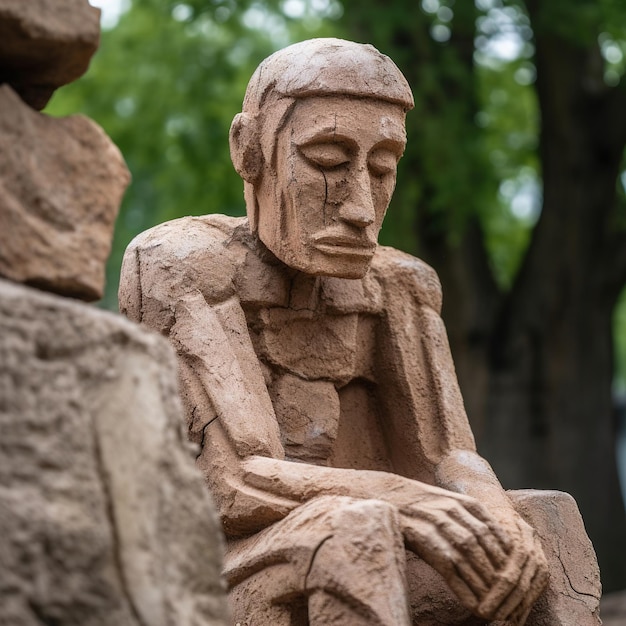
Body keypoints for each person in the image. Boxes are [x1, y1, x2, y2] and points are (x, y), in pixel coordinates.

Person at [119, 39, 552, 625]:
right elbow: (233, 479)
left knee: (544, 524)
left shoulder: (400, 285)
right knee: (351, 529)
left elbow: (448, 456)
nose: (361, 208)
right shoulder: (182, 266)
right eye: (327, 161)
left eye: (382, 169)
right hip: (205, 575)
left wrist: (498, 518)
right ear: (250, 149)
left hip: (361, 537)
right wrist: (405, 500)